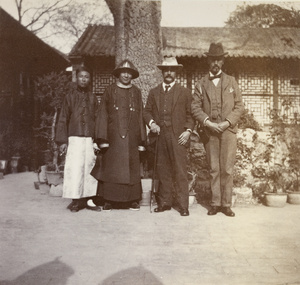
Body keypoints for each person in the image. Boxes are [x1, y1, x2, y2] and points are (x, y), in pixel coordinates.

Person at [191, 43, 244, 217]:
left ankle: (226, 204)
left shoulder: (232, 81)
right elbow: (195, 107)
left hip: (228, 131)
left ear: (223, 61)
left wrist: (227, 122)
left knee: (227, 168)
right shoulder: (201, 83)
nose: (215, 63)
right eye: (212, 59)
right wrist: (207, 122)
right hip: (210, 131)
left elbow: (239, 106)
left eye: (218, 59)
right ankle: (215, 203)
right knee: (214, 168)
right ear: (208, 60)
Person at [92, 60, 146, 211]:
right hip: (113, 138)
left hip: (132, 138)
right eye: (123, 72)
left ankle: (132, 200)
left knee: (131, 168)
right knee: (112, 168)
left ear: (132, 75)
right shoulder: (109, 90)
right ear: (118, 74)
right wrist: (102, 138)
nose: (126, 75)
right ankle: (109, 199)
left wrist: (142, 140)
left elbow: (141, 114)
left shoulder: (137, 92)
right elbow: (102, 113)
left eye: (129, 73)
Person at [143, 56, 194, 216]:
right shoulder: (154, 92)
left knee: (180, 171)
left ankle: (183, 205)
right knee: (163, 170)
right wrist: (152, 123)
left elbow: (191, 115)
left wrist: (187, 131)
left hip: (178, 136)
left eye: (172, 70)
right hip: (160, 135)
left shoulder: (185, 92)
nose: (169, 73)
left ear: (176, 72)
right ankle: (164, 203)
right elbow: (146, 111)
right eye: (166, 70)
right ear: (162, 73)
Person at [55, 66, 100, 212]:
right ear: (76, 78)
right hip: (74, 138)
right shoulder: (69, 97)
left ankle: (89, 199)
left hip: (89, 139)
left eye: (87, 77)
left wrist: (98, 140)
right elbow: (62, 119)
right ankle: (75, 200)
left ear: (90, 79)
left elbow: (98, 119)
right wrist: (62, 141)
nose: (84, 79)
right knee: (74, 169)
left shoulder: (93, 98)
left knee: (89, 168)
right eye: (81, 76)